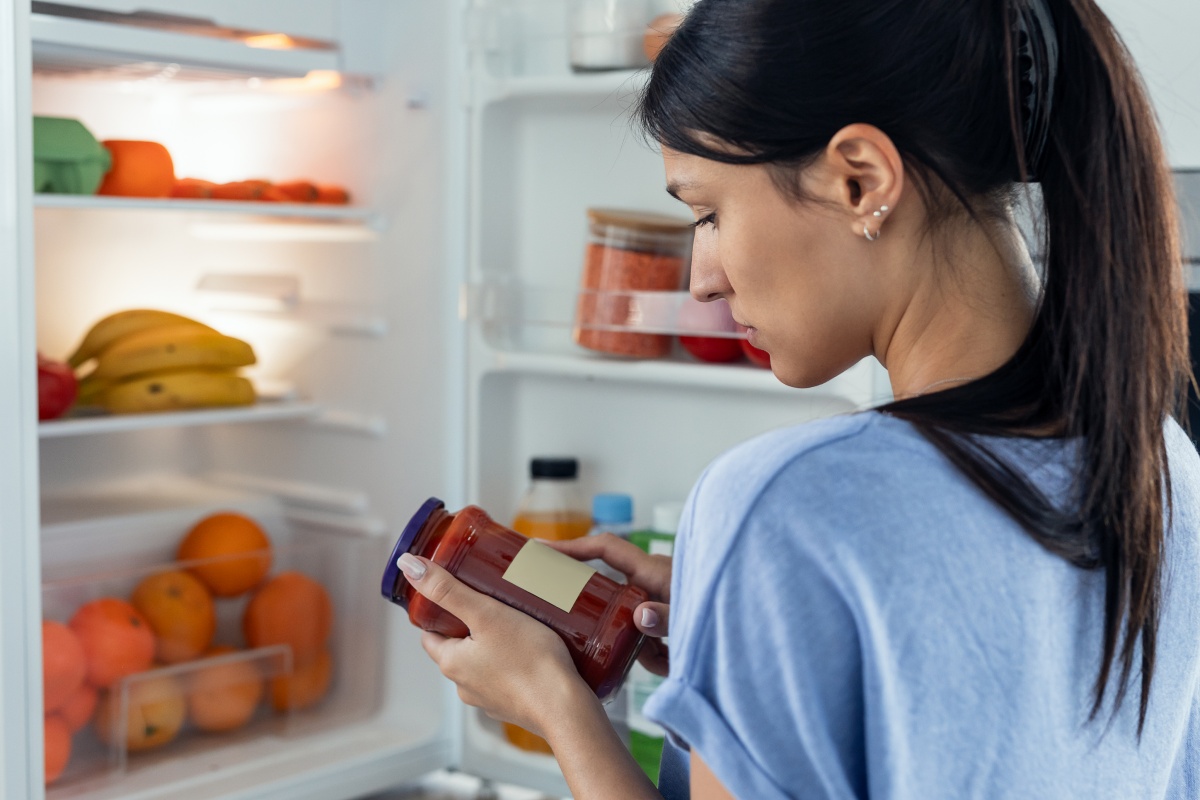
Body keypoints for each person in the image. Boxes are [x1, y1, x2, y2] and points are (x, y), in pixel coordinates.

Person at [394, 0, 1200, 797]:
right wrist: (753, 619)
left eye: (708, 213)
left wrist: (555, 707)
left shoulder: (784, 502)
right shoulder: (1165, 463)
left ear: (861, 180)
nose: (701, 280)